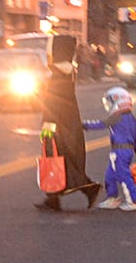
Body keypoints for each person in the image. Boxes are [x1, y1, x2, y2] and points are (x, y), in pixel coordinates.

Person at [37, 34, 102, 211]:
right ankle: (55, 198)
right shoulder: (66, 73)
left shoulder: (58, 75)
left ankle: (82, 190)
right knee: (62, 160)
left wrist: (48, 124)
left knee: (56, 158)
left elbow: (54, 103)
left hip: (57, 125)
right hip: (66, 124)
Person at [87, 87, 136, 211]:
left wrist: (83, 125)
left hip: (119, 152)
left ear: (117, 101)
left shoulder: (116, 117)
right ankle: (112, 198)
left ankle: (134, 201)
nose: (108, 105)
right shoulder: (131, 117)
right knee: (110, 175)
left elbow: (100, 124)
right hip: (125, 151)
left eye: (110, 101)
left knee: (124, 176)